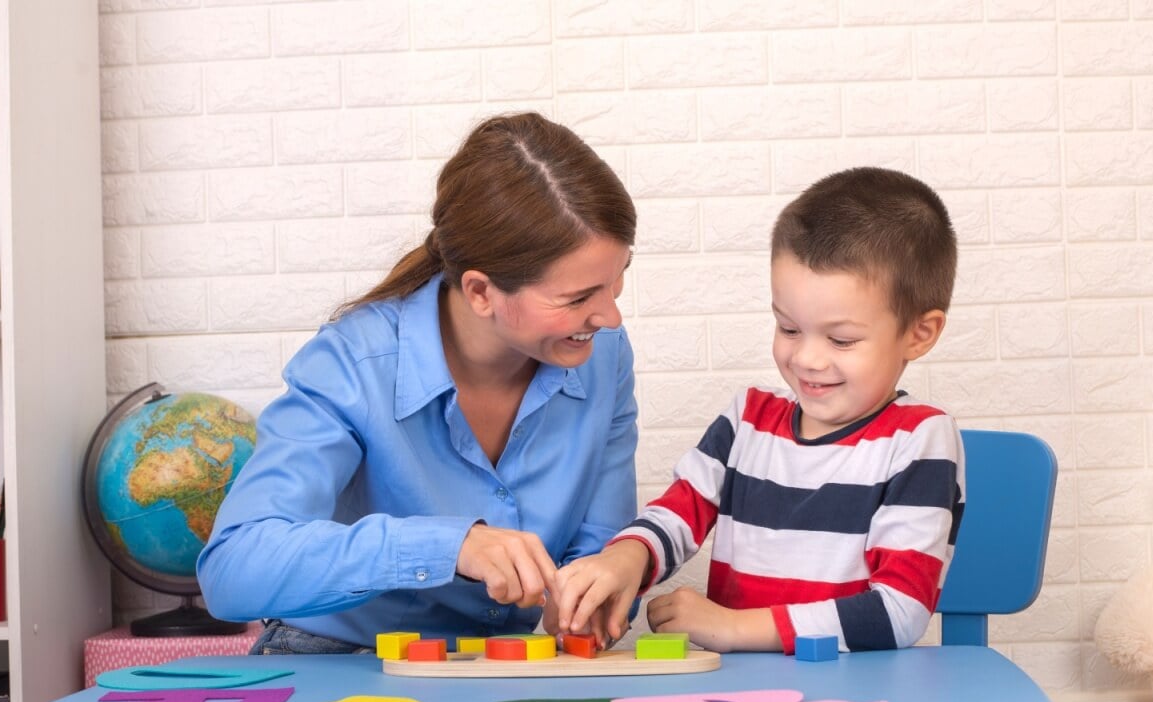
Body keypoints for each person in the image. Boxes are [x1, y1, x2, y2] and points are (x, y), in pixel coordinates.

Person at [197, 112, 639, 655]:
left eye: (616, 282)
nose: (611, 317)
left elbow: (598, 554)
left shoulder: (601, 356)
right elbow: (234, 567)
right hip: (341, 662)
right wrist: (448, 546)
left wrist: (598, 588)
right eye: (577, 299)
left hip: (507, 668)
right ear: (480, 292)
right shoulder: (353, 364)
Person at [554, 167, 965, 655]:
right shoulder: (748, 420)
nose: (807, 358)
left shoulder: (919, 438)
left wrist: (733, 627)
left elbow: (899, 612)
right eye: (788, 328)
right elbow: (680, 511)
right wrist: (627, 556)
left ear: (920, 333)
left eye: (841, 339)